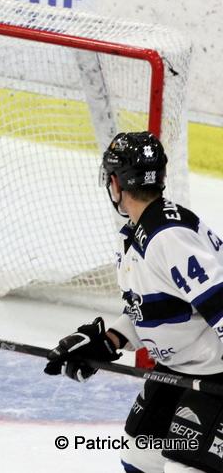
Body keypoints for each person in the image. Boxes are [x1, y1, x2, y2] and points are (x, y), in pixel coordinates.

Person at [44, 131, 223, 473]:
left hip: (216, 372)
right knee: (140, 457)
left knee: (185, 468)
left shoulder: (167, 237)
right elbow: (160, 309)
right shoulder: (140, 231)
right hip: (180, 367)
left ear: (115, 183)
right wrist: (109, 341)